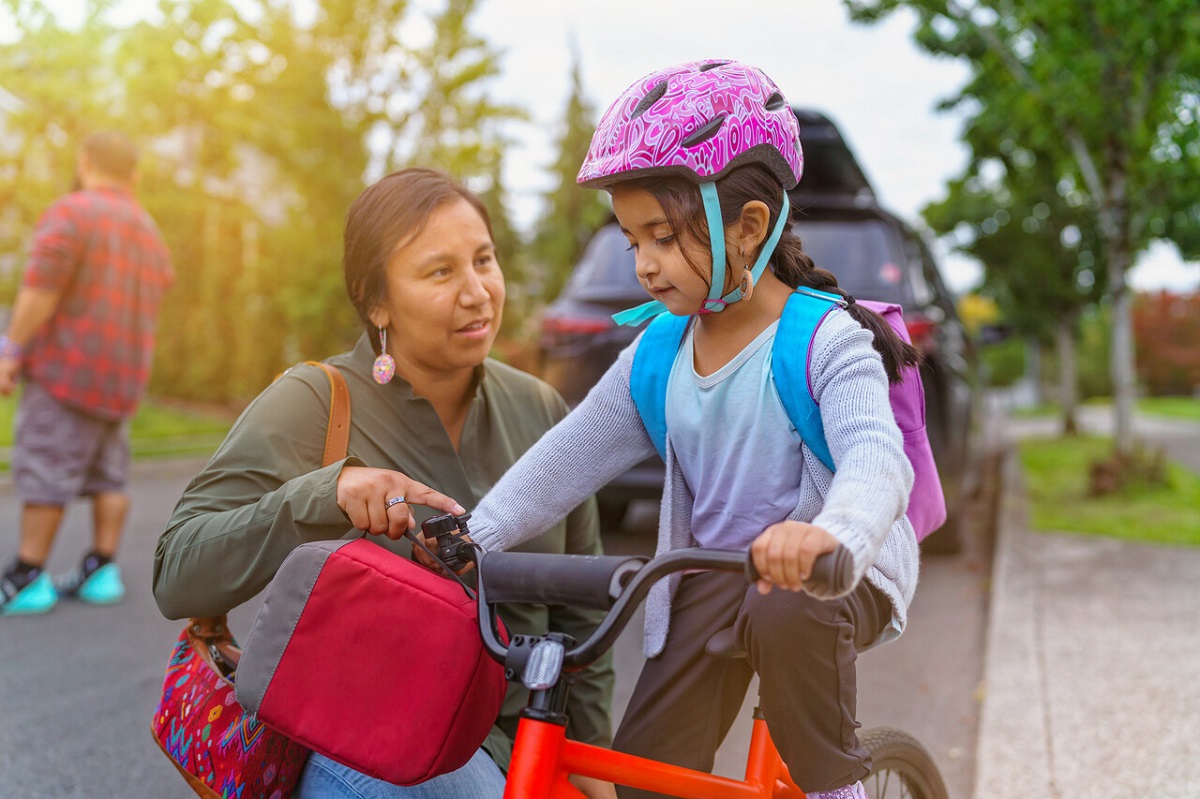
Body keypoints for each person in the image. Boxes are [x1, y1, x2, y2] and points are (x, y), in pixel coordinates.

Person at [460, 59, 922, 799]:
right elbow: (571, 453)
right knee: (650, 773)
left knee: (790, 623)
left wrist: (832, 536)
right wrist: (476, 535)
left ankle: (841, 791)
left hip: (838, 569)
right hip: (716, 575)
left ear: (748, 227)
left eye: (663, 238)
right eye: (631, 239)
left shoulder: (823, 340)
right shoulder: (660, 351)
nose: (643, 264)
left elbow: (877, 460)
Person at [152, 168, 615, 799]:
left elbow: (582, 627)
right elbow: (177, 571)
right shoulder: (314, 401)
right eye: (440, 272)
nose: (478, 292)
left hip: (523, 745)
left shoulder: (540, 409)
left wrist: (590, 774)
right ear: (376, 301)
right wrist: (322, 494)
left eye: (484, 260)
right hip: (369, 745)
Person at [0, 130, 174, 616]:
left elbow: (42, 285)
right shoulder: (149, 230)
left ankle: (27, 577)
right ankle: (101, 569)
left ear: (85, 162)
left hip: (66, 373)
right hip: (122, 381)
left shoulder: (72, 211)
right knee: (110, 476)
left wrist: (11, 350)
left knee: (45, 467)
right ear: (134, 174)